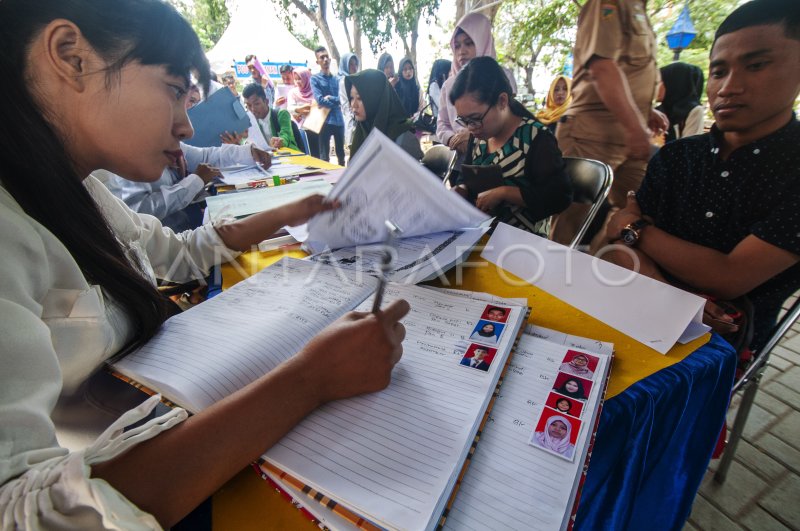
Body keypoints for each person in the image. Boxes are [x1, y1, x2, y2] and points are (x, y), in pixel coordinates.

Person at [0, 1, 409, 528]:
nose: (186, 125)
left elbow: (179, 251)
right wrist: (310, 378)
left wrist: (289, 212)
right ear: (71, 57)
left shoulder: (85, 194)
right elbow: (22, 512)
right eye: (173, 89)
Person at [603, 0, 800, 352]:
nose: (728, 87)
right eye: (719, 71)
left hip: (723, 344)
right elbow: (617, 245)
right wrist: (674, 301)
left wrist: (634, 228)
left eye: (756, 65)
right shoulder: (679, 155)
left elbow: (727, 277)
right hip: (637, 306)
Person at [551, 0, 669, 247]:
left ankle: (597, 267)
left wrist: (646, 111)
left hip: (632, 134)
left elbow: (632, 73)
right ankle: (550, 277)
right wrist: (636, 125)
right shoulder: (609, 3)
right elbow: (602, 68)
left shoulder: (641, 11)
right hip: (591, 133)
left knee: (634, 212)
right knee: (570, 220)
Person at [450, 57, 572, 237]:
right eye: (464, 120)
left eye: (475, 119)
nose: (470, 127)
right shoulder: (478, 137)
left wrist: (505, 192)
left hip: (523, 244)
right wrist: (461, 189)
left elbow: (559, 197)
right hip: (481, 236)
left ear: (502, 101)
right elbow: (466, 176)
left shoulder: (536, 139)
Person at [103, 142, 271, 231]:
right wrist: (195, 180)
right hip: (171, 239)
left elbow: (206, 155)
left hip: (191, 227)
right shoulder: (129, 158)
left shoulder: (168, 141)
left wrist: (248, 151)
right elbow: (141, 211)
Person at [436, 12, 517, 158]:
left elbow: (509, 120)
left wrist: (472, 136)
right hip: (460, 157)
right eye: (457, 46)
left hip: (500, 155)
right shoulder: (449, 85)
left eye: (469, 43)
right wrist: (454, 139)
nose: (462, 52)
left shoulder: (503, 76)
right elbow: (442, 124)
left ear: (483, 40)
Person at [346, 69, 423, 160]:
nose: (353, 105)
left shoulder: (404, 140)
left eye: (359, 98)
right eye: (351, 98)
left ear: (376, 99)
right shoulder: (361, 132)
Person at [312, 46, 346, 166]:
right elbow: (320, 100)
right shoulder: (314, 79)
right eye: (322, 57)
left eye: (327, 56)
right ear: (318, 62)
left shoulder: (337, 79)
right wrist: (336, 102)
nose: (325, 59)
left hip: (338, 120)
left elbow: (342, 99)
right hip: (324, 121)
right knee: (324, 157)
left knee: (341, 155)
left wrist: (331, 98)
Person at [242, 83, 301, 151]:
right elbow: (246, 140)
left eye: (256, 104)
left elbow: (286, 134)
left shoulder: (281, 114)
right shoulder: (250, 121)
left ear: (266, 101)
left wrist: (281, 141)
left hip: (288, 156)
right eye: (248, 105)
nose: (252, 109)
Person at [657, 62, 706, 142]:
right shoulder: (658, 110)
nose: (655, 86)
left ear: (673, 84)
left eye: (659, 82)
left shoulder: (694, 111)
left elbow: (688, 147)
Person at [289, 67, 320, 158]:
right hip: (299, 129)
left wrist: (309, 111)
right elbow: (290, 108)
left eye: (300, 79)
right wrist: (300, 109)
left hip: (314, 128)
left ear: (307, 78)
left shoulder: (315, 91)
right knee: (303, 154)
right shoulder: (293, 92)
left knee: (316, 155)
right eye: (296, 79)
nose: (298, 82)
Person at [338, 52, 361, 146]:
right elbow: (346, 106)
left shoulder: (354, 79)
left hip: (356, 118)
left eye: (355, 64)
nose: (354, 67)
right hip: (351, 119)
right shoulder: (344, 81)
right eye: (350, 64)